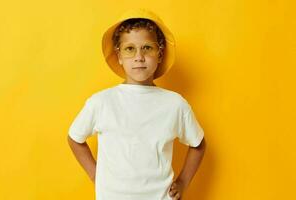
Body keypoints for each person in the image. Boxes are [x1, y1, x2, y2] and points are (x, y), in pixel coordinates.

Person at [67, 8, 206, 200]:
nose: (139, 57)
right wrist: (94, 174)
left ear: (159, 53)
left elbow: (198, 144)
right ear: (119, 56)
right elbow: (74, 138)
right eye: (130, 49)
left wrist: (183, 182)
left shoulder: (175, 104)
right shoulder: (102, 102)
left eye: (147, 48)